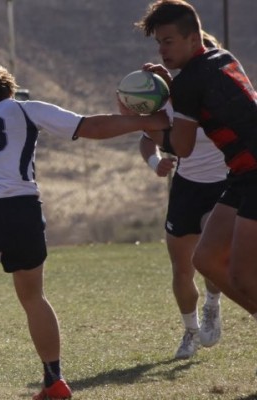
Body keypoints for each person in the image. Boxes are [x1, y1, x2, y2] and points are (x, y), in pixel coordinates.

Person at [0, 53, 169, 400]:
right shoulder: (22, 109)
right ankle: (53, 380)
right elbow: (90, 127)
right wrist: (150, 121)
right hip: (24, 209)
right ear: (7, 91)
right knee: (33, 297)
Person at [135, 0, 257, 329]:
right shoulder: (223, 57)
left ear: (193, 38)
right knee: (204, 259)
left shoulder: (189, 82)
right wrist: (172, 91)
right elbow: (208, 97)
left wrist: (140, 122)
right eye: (159, 42)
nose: (162, 50)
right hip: (242, 175)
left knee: (243, 275)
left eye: (169, 41)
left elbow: (181, 147)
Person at [133, 31, 228, 360]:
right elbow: (148, 139)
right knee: (181, 268)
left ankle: (213, 304)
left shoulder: (230, 97)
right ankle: (189, 331)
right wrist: (155, 161)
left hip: (224, 187)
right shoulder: (171, 99)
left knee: (211, 260)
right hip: (186, 187)